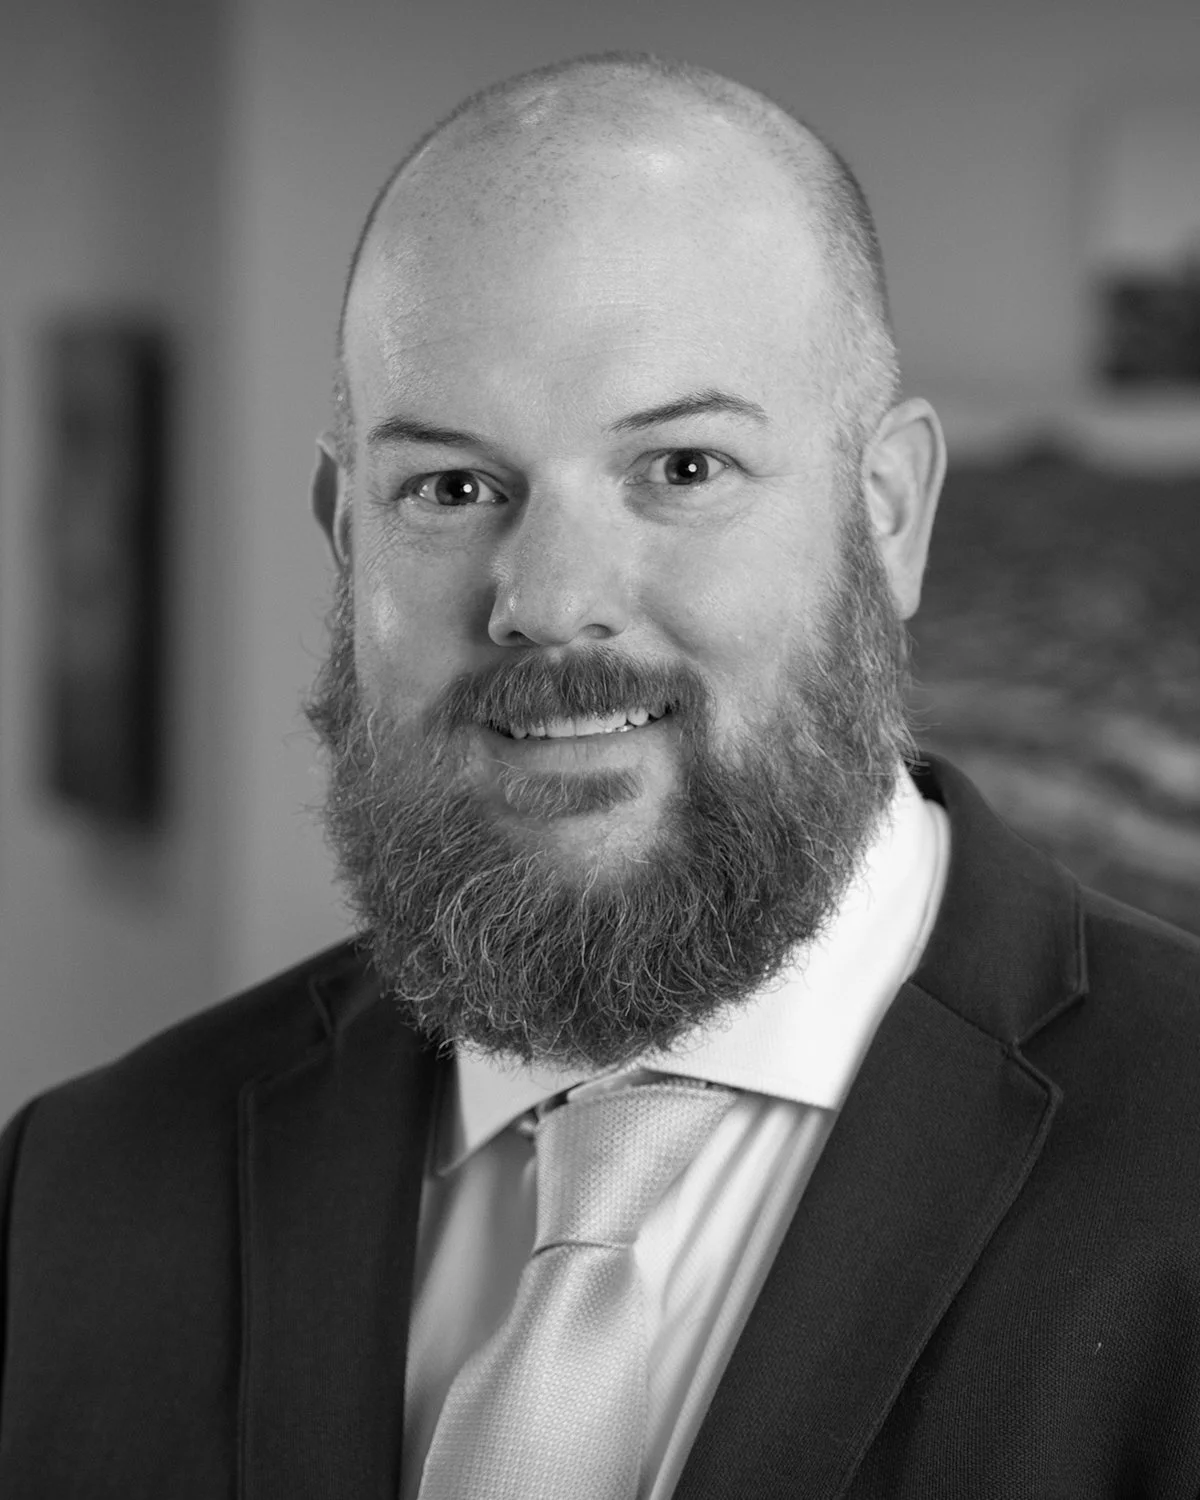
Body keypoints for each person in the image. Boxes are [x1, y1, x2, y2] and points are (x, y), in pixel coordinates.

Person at [2, 51, 1199, 1500]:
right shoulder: (77, 1196)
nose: (550, 598)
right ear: (346, 534)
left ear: (889, 513)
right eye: (450, 487)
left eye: (682, 468)